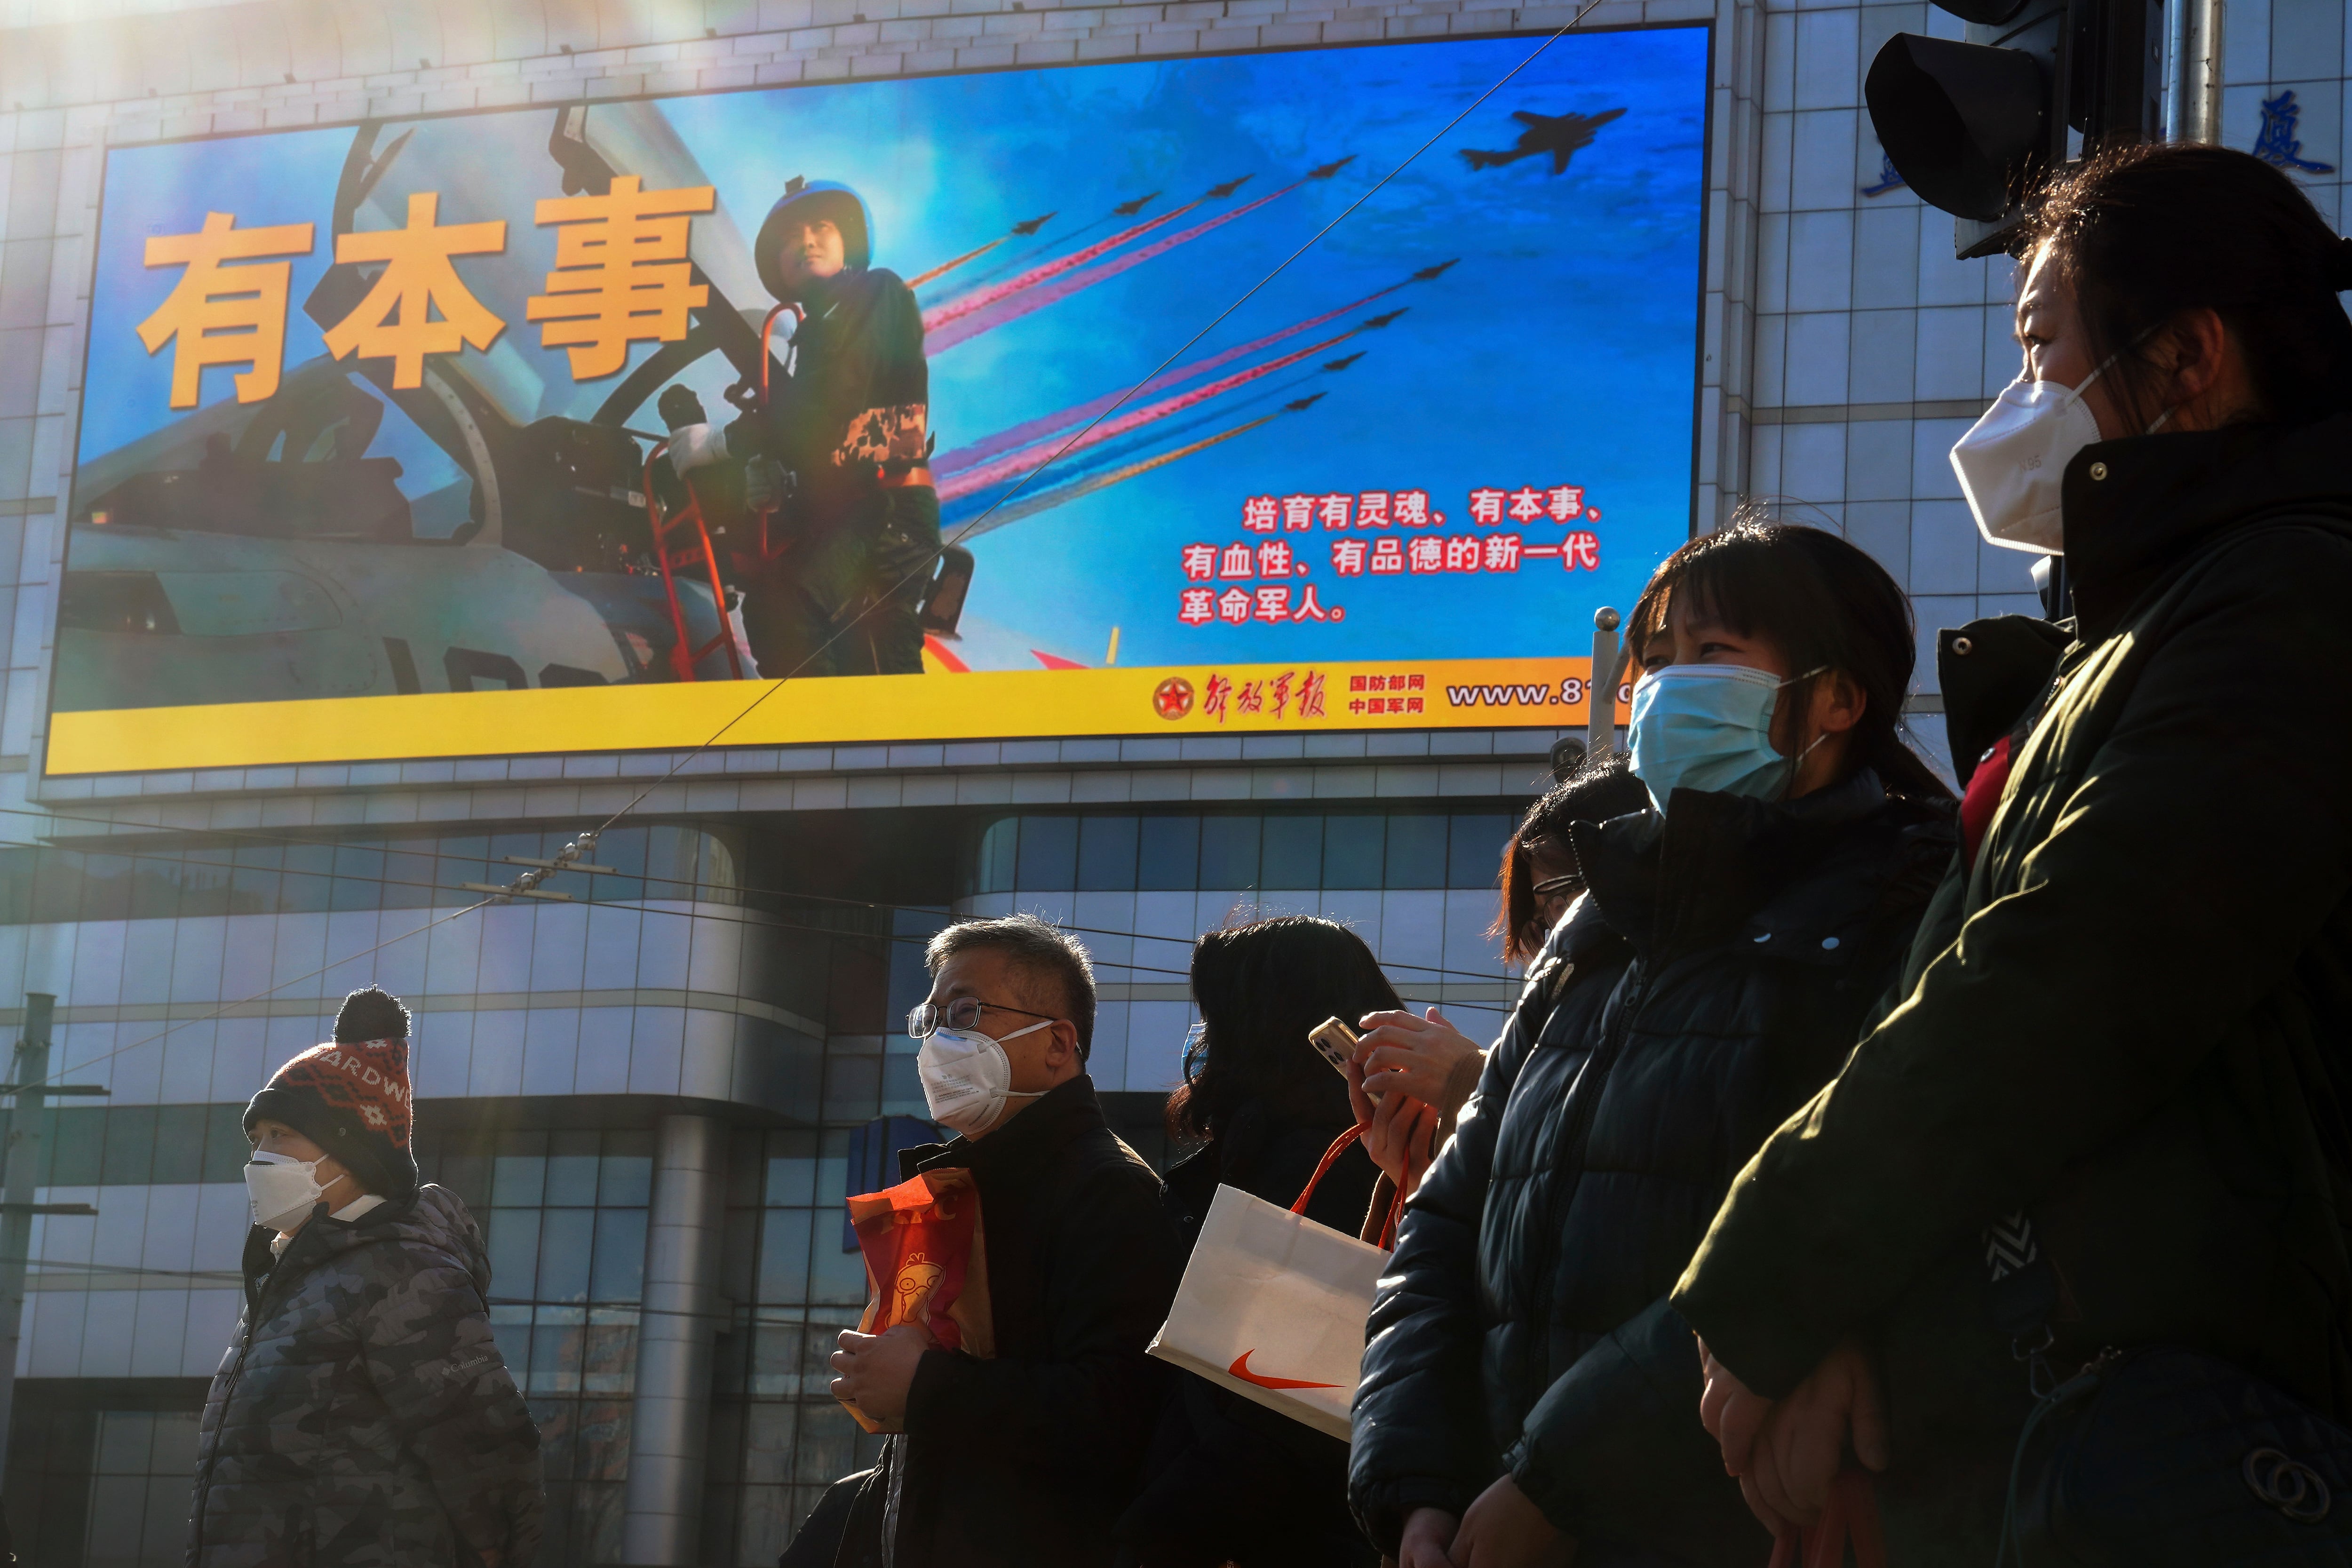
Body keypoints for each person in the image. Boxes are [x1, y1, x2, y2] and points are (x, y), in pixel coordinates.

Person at [1675, 144, 2352, 1564]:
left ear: (2182, 359)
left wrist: (1779, 1278)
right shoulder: (2140, 633)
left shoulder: (2285, 600)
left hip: (2217, 1443)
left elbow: (2061, 980)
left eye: (2040, 349)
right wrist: (1862, 1318)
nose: (2009, 407)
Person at [1348, 518, 1959, 1568]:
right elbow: (1446, 1230)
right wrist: (1420, 1490)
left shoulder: (1907, 906)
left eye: (1715, 656)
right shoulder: (1594, 931)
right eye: (1660, 660)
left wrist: (1553, 1485)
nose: (1670, 689)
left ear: (1836, 699)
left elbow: (1814, 1245)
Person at [793, 914, 1181, 1568]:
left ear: (1059, 1043)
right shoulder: (963, 1188)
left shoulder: (1107, 1189)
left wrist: (925, 1384)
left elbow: (1119, 1411)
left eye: (967, 1012)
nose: (941, 1040)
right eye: (932, 1018)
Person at [188, 987, 542, 1568]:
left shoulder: (403, 1272)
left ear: (349, 1151)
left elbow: (488, 1454)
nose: (261, 1158)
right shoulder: (294, 1277)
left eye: (283, 1135)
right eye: (258, 1139)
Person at [1118, 915, 1399, 1568]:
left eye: (1215, 1019)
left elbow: (1277, 1413)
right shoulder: (1366, 1157)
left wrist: (1152, 1530)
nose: (1205, 1043)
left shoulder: (1313, 1168)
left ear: (1260, 1023)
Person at [733, 175, 941, 678]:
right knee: (849, 646)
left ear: (848, 240)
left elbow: (836, 403)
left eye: (820, 227)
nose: (804, 241)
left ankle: (835, 746)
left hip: (884, 510)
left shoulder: (875, 292)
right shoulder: (815, 332)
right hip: (854, 508)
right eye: (790, 237)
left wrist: (733, 442)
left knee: (788, 610)